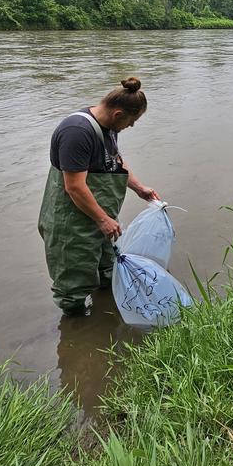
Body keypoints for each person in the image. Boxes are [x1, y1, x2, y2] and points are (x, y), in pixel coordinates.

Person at [38, 76, 159, 315]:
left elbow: (114, 160)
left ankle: (107, 316)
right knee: (73, 282)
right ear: (118, 114)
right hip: (71, 223)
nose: (131, 126)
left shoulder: (109, 128)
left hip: (98, 218)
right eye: (132, 121)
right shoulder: (77, 132)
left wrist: (139, 188)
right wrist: (103, 219)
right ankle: (77, 333)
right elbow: (74, 187)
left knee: (107, 269)